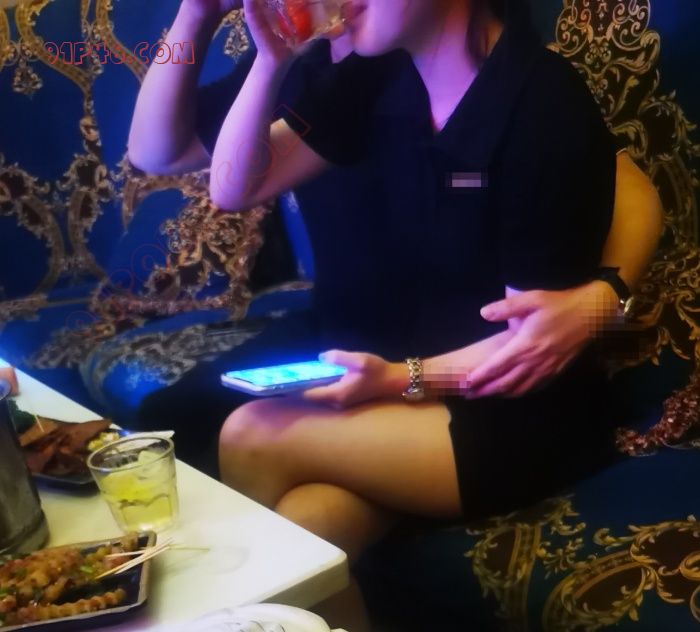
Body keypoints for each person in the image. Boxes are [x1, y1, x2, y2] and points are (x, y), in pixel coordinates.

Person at [127, 0, 662, 480]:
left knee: (250, 436)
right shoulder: (355, 68)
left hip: (475, 382)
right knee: (177, 432)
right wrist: (199, 17)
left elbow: (621, 182)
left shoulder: (523, 93)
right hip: (365, 344)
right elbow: (164, 157)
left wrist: (607, 295)